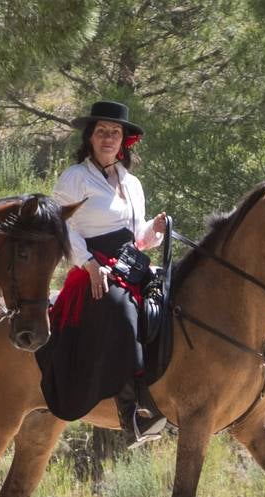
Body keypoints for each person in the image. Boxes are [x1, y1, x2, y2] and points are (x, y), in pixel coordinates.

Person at [43, 99, 171, 445]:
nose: (108, 138)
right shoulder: (74, 178)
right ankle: (133, 412)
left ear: (124, 140)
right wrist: (89, 264)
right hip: (92, 266)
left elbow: (137, 237)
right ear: (90, 138)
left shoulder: (133, 183)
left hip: (129, 263)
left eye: (115, 133)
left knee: (172, 297)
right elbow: (60, 225)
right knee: (120, 308)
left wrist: (155, 229)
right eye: (101, 132)